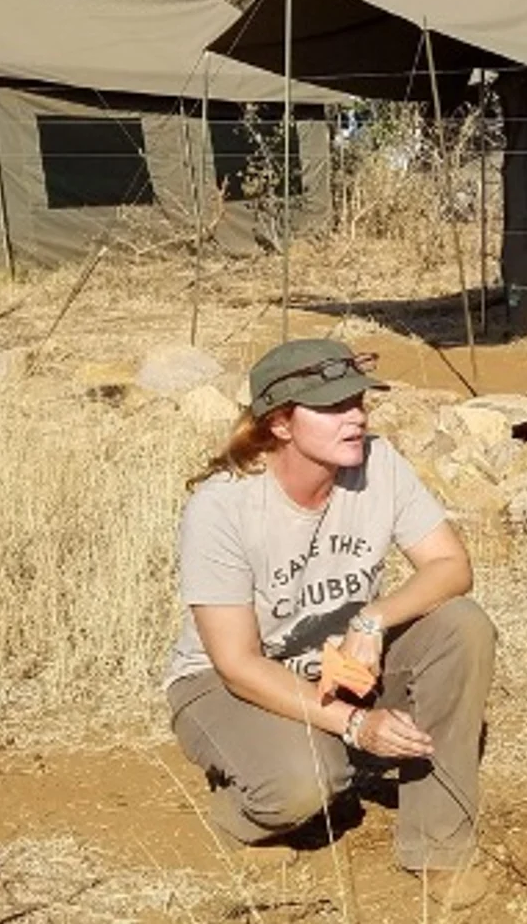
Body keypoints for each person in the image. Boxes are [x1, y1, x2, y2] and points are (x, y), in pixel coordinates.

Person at [164, 338, 497, 906]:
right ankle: (244, 809)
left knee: (463, 625)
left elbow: (451, 565)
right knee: (307, 785)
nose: (356, 417)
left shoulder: (380, 462)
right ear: (281, 425)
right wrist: (353, 726)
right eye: (333, 407)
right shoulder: (222, 508)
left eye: (358, 402)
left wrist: (373, 618)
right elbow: (237, 664)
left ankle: (438, 846)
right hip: (224, 684)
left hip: (335, 662)